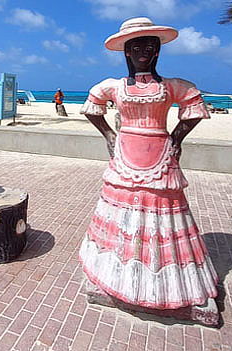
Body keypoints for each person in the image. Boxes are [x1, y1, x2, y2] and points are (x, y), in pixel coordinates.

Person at [79, 17, 218, 312]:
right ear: (126, 52)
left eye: (150, 45)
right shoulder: (115, 87)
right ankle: (116, 276)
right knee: (122, 213)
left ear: (157, 51)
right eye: (137, 45)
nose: (143, 50)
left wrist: (177, 138)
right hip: (125, 153)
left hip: (160, 153)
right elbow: (92, 105)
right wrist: (108, 134)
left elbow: (193, 105)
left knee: (162, 214)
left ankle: (167, 286)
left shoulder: (170, 86)